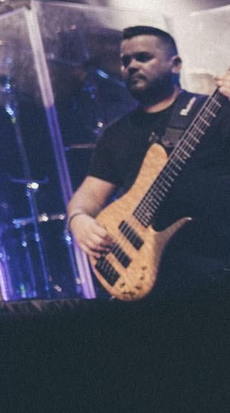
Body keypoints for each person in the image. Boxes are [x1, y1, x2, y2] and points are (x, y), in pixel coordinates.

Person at [66, 25, 230, 292]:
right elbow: (90, 194)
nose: (132, 66)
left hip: (218, 270)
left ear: (175, 65)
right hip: (150, 284)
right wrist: (78, 220)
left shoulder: (215, 110)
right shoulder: (116, 133)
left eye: (143, 57)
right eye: (125, 61)